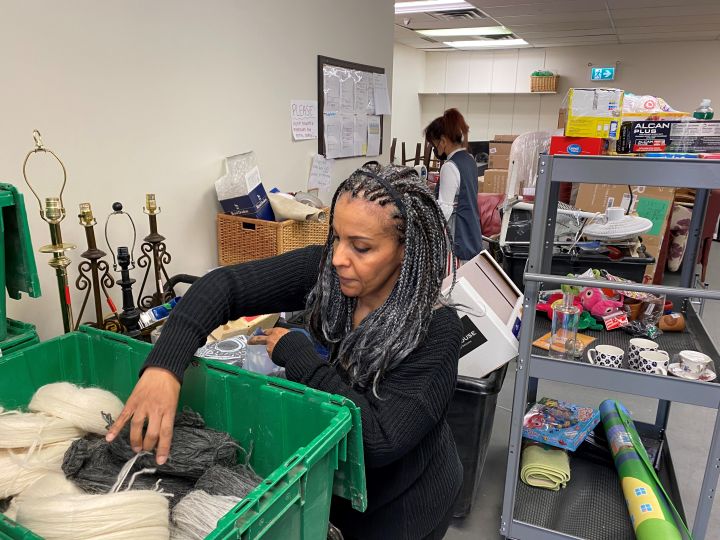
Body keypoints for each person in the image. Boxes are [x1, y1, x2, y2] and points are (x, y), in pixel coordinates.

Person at [106, 164, 464, 539]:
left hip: (406, 507)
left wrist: (299, 356)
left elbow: (377, 441)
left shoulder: (436, 330)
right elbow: (222, 286)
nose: (338, 257)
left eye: (361, 247)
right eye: (336, 237)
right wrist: (163, 368)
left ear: (406, 251)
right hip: (341, 494)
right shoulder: (328, 273)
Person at [424, 108, 483, 264]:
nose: (435, 149)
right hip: (471, 234)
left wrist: (426, 229)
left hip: (456, 241)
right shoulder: (469, 160)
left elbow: (445, 208)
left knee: (451, 278)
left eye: (434, 144)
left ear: (443, 141)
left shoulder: (449, 166)